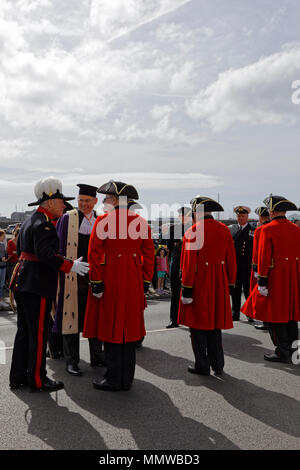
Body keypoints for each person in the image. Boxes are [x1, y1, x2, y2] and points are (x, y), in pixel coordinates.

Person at [9, 177, 89, 392]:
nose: (64, 204)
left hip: (24, 282)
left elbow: (21, 251)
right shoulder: (44, 224)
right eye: (61, 201)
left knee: (24, 332)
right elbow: (46, 255)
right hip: (37, 284)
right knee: (38, 334)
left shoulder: (30, 221)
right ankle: (37, 380)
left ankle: (18, 376)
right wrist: (69, 265)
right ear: (50, 202)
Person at [83, 180, 154, 391]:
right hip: (133, 280)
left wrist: (96, 282)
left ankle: (113, 379)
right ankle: (126, 379)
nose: (104, 202)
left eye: (106, 199)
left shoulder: (104, 221)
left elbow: (94, 255)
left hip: (110, 280)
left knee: (111, 328)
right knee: (129, 330)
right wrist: (145, 281)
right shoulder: (141, 222)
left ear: (114, 200)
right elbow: (149, 256)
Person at [178, 196, 236, 376]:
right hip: (219, 280)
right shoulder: (224, 229)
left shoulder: (193, 230)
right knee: (214, 325)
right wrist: (231, 281)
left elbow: (189, 263)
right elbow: (231, 259)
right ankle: (218, 364)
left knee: (197, 325)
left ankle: (202, 365)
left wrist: (187, 288)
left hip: (200, 281)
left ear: (196, 212)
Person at [242, 194, 300, 363]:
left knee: (275, 316)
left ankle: (282, 351)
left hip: (275, 277)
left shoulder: (267, 229)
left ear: (272, 211)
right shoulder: (296, 229)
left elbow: (264, 257)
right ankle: (294, 349)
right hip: (293, 276)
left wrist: (262, 280)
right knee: (291, 315)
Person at [53, 184, 104, 376]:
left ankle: (97, 356)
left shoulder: (101, 219)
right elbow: (57, 247)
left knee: (95, 317)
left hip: (95, 275)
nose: (83, 204)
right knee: (70, 317)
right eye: (81, 200)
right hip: (72, 275)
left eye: (87, 201)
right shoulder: (68, 218)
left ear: (95, 202)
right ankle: (71, 360)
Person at [166, 207, 192, 328]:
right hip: (176, 263)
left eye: (185, 215)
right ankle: (174, 319)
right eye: (181, 215)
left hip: (189, 264)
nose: (183, 217)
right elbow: (170, 247)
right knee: (175, 292)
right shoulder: (173, 229)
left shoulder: (194, 228)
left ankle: (190, 319)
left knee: (190, 293)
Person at [229, 206, 255, 322]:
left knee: (248, 291)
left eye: (243, 216)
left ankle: (249, 313)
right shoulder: (233, 230)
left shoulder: (251, 231)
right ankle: (235, 313)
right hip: (236, 267)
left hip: (247, 266)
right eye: (238, 216)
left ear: (247, 217)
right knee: (235, 291)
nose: (240, 218)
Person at [250, 207, 270, 331]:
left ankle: (265, 321)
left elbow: (257, 252)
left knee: (262, 297)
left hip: (261, 268)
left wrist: (256, 269)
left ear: (261, 218)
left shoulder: (260, 230)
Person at [0, 229, 8, 307]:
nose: (4, 237)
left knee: (2, 284)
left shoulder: (3, 244)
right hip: (1, 265)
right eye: (3, 235)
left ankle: (1, 300)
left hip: (3, 265)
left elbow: (5, 253)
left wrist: (6, 258)